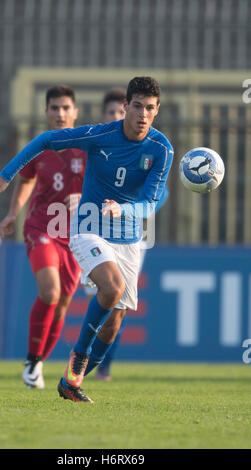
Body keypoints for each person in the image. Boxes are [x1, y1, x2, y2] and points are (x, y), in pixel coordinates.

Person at [0, 76, 174, 404]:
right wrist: (5, 175)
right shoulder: (100, 135)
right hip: (87, 228)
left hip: (126, 237)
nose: (142, 114)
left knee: (114, 322)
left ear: (156, 111)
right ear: (126, 107)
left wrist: (124, 209)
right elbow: (45, 139)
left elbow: (150, 204)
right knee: (109, 289)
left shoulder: (161, 149)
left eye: (150, 108)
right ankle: (78, 354)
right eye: (137, 106)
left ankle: (72, 381)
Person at [0, 85, 87, 389]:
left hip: (75, 237)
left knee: (62, 304)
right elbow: (25, 182)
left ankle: (37, 362)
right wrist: (12, 213)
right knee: (49, 292)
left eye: (65, 108)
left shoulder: (88, 148)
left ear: (75, 112)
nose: (60, 113)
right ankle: (31, 361)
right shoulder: (39, 147)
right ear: (46, 112)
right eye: (54, 108)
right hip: (41, 229)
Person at [92, 88, 169, 381]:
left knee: (118, 303)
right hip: (96, 232)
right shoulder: (100, 147)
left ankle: (103, 366)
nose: (116, 116)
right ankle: (83, 357)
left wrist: (130, 209)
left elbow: (158, 196)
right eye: (111, 113)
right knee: (104, 297)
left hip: (133, 235)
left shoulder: (152, 149)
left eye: (149, 109)